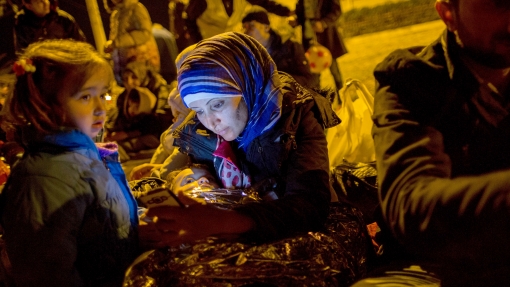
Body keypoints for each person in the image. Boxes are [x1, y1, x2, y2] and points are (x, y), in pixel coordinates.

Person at [351, 0, 510, 286]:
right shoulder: (412, 79)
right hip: (440, 268)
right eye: (499, 4)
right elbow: (411, 205)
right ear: (448, 13)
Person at [140, 31, 342, 246]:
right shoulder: (203, 131)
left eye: (217, 104)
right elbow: (191, 168)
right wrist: (191, 183)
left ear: (248, 87)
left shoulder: (296, 119)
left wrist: (222, 222)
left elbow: (308, 205)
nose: (209, 121)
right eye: (198, 110)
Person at [0, 40, 139, 286]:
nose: (101, 108)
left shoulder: (80, 155)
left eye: (103, 94)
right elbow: (46, 274)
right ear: (47, 105)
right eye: (85, 96)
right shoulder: (44, 180)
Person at [242, 6, 319, 89]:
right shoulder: (248, 54)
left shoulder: (289, 46)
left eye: (252, 26)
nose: (246, 31)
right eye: (244, 27)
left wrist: (277, 80)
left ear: (266, 28)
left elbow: (309, 80)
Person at [185, 0, 294, 45]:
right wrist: (198, 42)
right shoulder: (200, 1)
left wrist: (288, 12)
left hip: (232, 45)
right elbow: (189, 20)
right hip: (208, 45)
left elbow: (264, 3)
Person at [294, 0, 347, 90]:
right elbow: (300, 15)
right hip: (309, 38)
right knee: (314, 74)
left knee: (334, 70)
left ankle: (341, 99)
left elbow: (336, 11)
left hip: (327, 38)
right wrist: (295, 21)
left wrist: (324, 23)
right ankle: (319, 101)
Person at [104, 0, 160, 85]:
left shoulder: (136, 8)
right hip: (124, 67)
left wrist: (117, 42)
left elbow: (145, 33)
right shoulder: (116, 14)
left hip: (140, 66)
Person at [14, 0, 86, 52]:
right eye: (40, 1)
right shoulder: (22, 24)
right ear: (29, 6)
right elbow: (23, 53)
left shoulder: (63, 19)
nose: (46, 2)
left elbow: (82, 45)